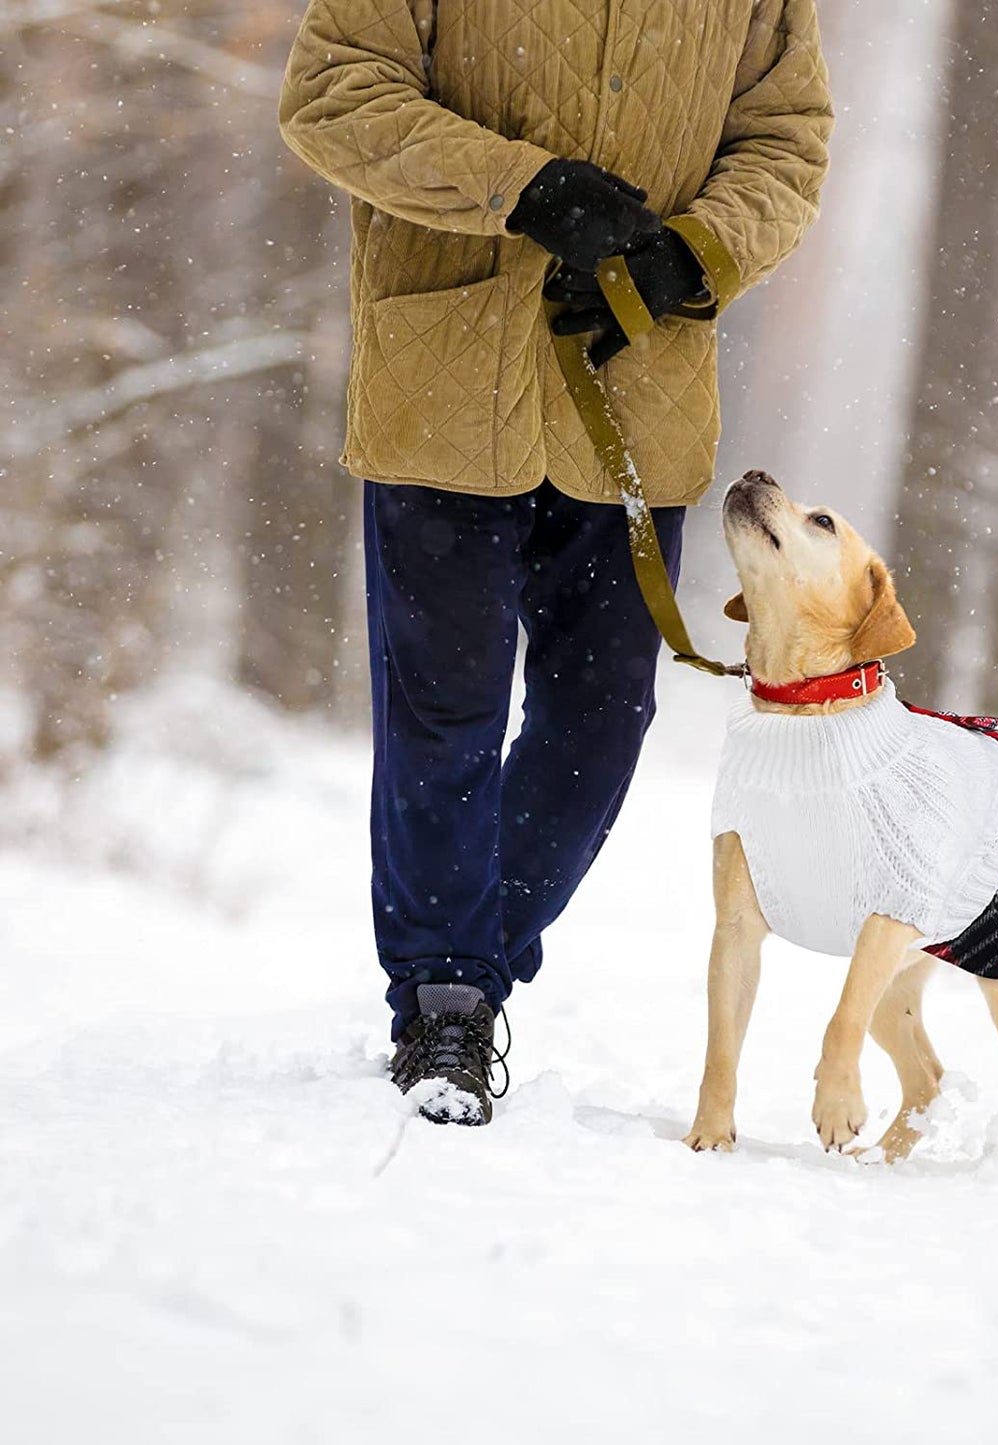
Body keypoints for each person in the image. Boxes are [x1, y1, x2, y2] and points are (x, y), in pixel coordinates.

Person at [278, 1, 832, 1124]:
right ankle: (446, 997)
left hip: (635, 390)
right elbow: (331, 95)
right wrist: (522, 187)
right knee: (446, 710)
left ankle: (471, 957)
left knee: (603, 714)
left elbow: (785, 140)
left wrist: (695, 252)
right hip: (444, 384)